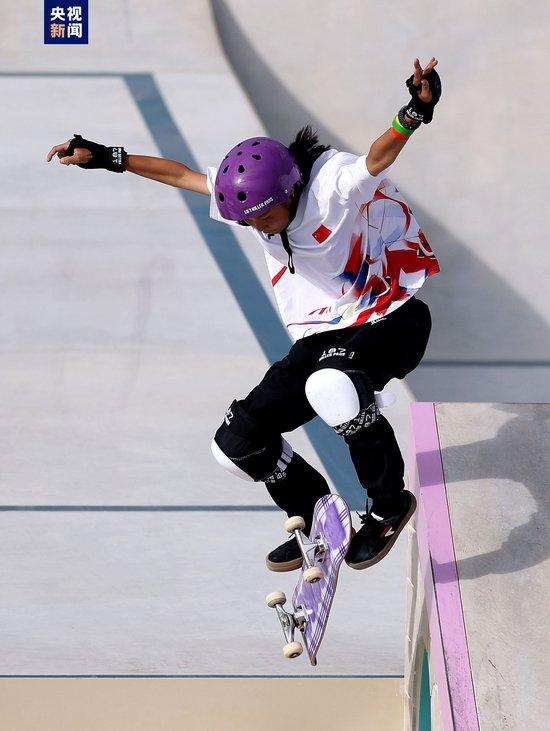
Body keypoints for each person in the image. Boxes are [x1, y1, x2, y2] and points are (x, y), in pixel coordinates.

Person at [47, 56, 441, 572]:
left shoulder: (333, 185)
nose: (257, 228)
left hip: (393, 320)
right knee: (235, 444)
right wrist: (107, 156)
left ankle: (388, 506)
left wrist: (416, 108)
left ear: (289, 190)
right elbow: (183, 174)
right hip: (326, 337)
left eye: (263, 217)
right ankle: (317, 512)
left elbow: (378, 156)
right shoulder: (254, 196)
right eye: (247, 221)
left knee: (331, 387)